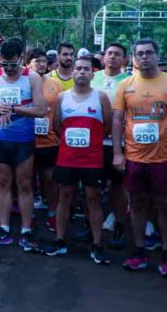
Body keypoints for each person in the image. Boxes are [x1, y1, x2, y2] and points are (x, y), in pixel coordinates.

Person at [44, 56, 112, 265]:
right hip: (67, 158)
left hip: (92, 160)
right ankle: (59, 239)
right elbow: (56, 127)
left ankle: (98, 243)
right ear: (72, 73)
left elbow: (107, 127)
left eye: (86, 69)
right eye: (78, 69)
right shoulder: (62, 98)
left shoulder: (100, 97)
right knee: (64, 197)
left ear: (93, 74)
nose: (82, 72)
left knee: (93, 199)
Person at [0, 38, 46, 251]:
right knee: (3, 183)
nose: (9, 69)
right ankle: (4, 228)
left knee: (25, 184)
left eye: (13, 64)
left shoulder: (32, 78)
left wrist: (15, 109)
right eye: (5, 64)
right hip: (0, 138)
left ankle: (26, 231)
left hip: (23, 139)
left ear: (21, 59)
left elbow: (40, 110)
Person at [112, 38, 167, 275]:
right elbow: (116, 120)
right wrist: (117, 153)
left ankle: (165, 252)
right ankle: (139, 251)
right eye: (140, 54)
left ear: (157, 55)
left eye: (148, 53)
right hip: (134, 157)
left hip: (162, 158)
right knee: (136, 204)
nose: (144, 57)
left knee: (163, 205)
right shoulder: (126, 85)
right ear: (134, 58)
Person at [91, 42, 131, 249]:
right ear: (103, 57)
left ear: (124, 60)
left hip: (118, 143)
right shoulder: (93, 78)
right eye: (109, 53)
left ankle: (119, 224)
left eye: (117, 54)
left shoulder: (129, 81)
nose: (112, 57)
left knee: (118, 187)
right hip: (92, 143)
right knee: (92, 188)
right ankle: (92, 227)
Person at [27, 48, 62, 232]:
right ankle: (29, 214)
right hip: (26, 140)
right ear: (28, 63)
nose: (41, 64)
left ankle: (52, 213)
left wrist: (58, 134)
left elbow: (58, 112)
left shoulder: (54, 84)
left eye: (43, 61)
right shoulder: (23, 82)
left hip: (49, 141)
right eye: (36, 61)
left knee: (49, 180)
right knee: (28, 180)